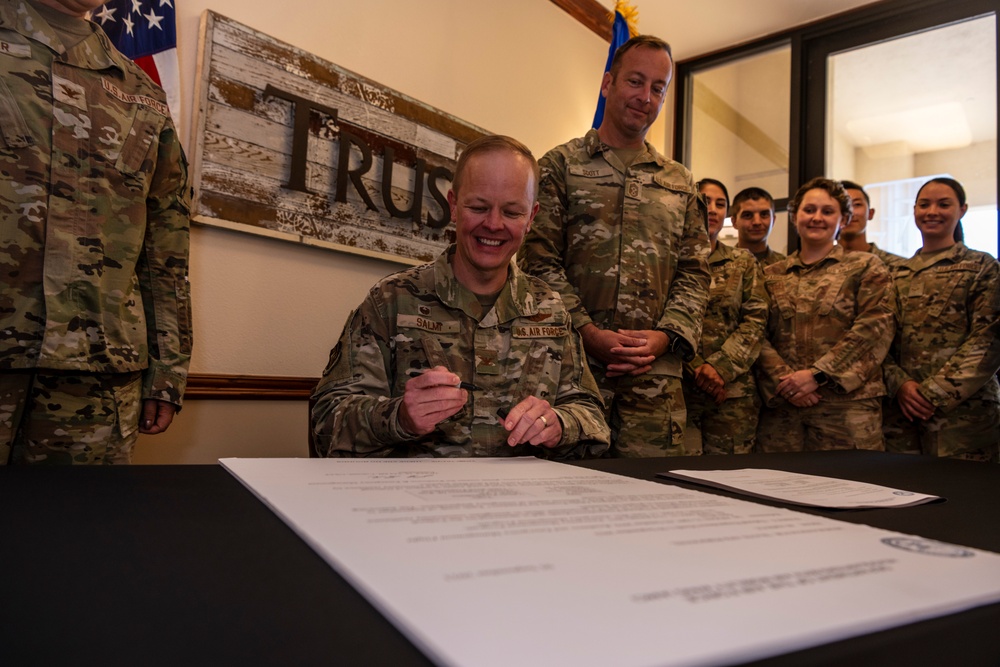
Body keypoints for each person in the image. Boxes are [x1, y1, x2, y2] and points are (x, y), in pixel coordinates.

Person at [311, 135, 611, 458]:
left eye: (512, 212)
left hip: (522, 504)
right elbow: (326, 421)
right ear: (453, 205)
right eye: (478, 207)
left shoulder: (551, 312)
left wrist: (559, 424)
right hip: (416, 502)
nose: (493, 224)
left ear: (531, 218)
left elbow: (592, 418)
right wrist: (398, 417)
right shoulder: (391, 302)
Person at [0, 0, 192, 465]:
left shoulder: (141, 91)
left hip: (97, 378)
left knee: (82, 535)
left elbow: (164, 248)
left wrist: (168, 369)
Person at [518, 35, 710, 457]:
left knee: (654, 505)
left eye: (657, 88)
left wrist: (664, 337)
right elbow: (537, 261)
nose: (645, 97)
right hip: (570, 372)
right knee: (564, 499)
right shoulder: (560, 165)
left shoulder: (680, 182)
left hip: (655, 383)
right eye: (635, 81)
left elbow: (695, 274)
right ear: (608, 83)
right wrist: (587, 331)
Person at [756, 177, 895, 452]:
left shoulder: (866, 267)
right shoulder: (771, 275)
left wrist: (817, 376)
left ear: (843, 220)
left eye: (827, 211)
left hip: (848, 411)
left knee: (852, 489)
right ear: (795, 217)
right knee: (776, 487)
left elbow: (874, 328)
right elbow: (755, 332)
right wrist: (788, 381)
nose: (817, 218)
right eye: (809, 210)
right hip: (784, 409)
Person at [882, 177, 1000, 462]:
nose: (932, 211)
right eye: (924, 204)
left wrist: (934, 393)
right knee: (903, 496)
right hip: (901, 416)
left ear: (962, 210)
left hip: (964, 418)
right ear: (914, 211)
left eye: (943, 204)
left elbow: (989, 339)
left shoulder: (982, 267)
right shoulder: (893, 273)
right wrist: (900, 384)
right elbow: (879, 340)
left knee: (965, 499)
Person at [682, 179, 769, 455]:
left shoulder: (742, 262)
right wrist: (698, 369)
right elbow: (660, 319)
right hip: (682, 389)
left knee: (730, 477)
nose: (713, 209)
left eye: (721, 204)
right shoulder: (671, 260)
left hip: (733, 395)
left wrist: (720, 368)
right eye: (705, 201)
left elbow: (755, 321)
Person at [837, 180, 905, 267]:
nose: (850, 212)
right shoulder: (818, 264)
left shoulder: (898, 266)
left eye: (857, 204)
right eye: (842, 206)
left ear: (870, 213)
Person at [731, 187, 786, 268]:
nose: (757, 222)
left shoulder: (786, 267)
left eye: (764, 215)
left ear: (773, 220)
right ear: (734, 222)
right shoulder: (720, 265)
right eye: (748, 215)